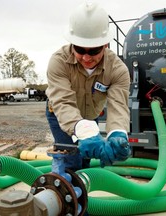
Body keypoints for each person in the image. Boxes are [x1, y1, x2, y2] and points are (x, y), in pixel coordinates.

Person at [45, 1, 131, 171]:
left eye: (93, 51)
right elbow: (63, 102)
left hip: (91, 114)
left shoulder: (118, 69)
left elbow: (118, 106)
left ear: (105, 45)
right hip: (60, 114)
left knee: (86, 161)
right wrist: (83, 131)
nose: (86, 58)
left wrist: (118, 134)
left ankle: (81, 191)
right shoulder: (58, 62)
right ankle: (62, 190)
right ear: (72, 43)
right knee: (69, 159)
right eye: (80, 49)